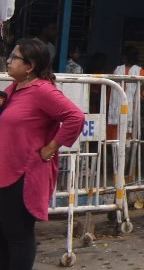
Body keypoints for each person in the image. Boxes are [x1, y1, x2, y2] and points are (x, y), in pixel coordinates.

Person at [0, 38, 84, 268]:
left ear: (29, 66)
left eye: (14, 57)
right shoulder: (14, 88)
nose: (8, 61)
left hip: (23, 175)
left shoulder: (42, 91)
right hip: (5, 170)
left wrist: (51, 147)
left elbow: (75, 117)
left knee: (18, 235)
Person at [110, 45, 144, 141]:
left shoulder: (118, 69)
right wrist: (141, 97)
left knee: (119, 134)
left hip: (119, 105)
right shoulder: (140, 71)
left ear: (124, 57)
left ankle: (118, 154)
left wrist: (140, 98)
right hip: (123, 106)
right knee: (125, 134)